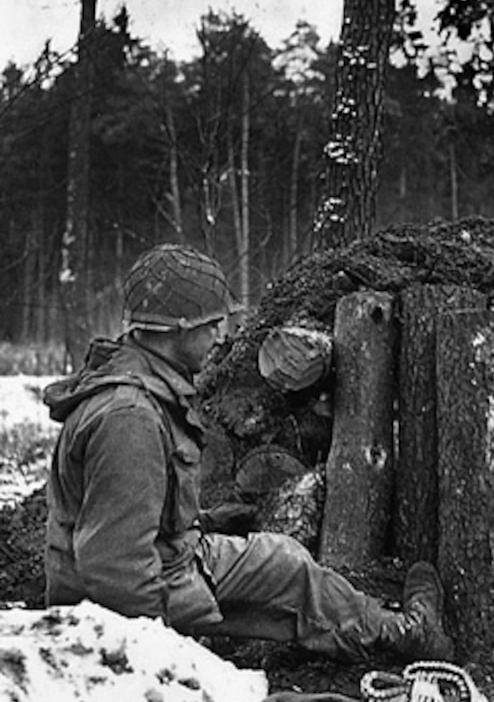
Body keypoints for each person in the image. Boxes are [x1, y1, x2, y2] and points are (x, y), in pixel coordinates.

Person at [43, 243, 452, 663]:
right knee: (286, 567)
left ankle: (366, 635)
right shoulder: (130, 417)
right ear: (178, 329)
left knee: (281, 569)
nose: (220, 337)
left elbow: (117, 526)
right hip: (126, 609)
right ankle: (404, 634)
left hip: (159, 570)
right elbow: (113, 569)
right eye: (211, 325)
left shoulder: (136, 388)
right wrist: (164, 657)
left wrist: (201, 523)